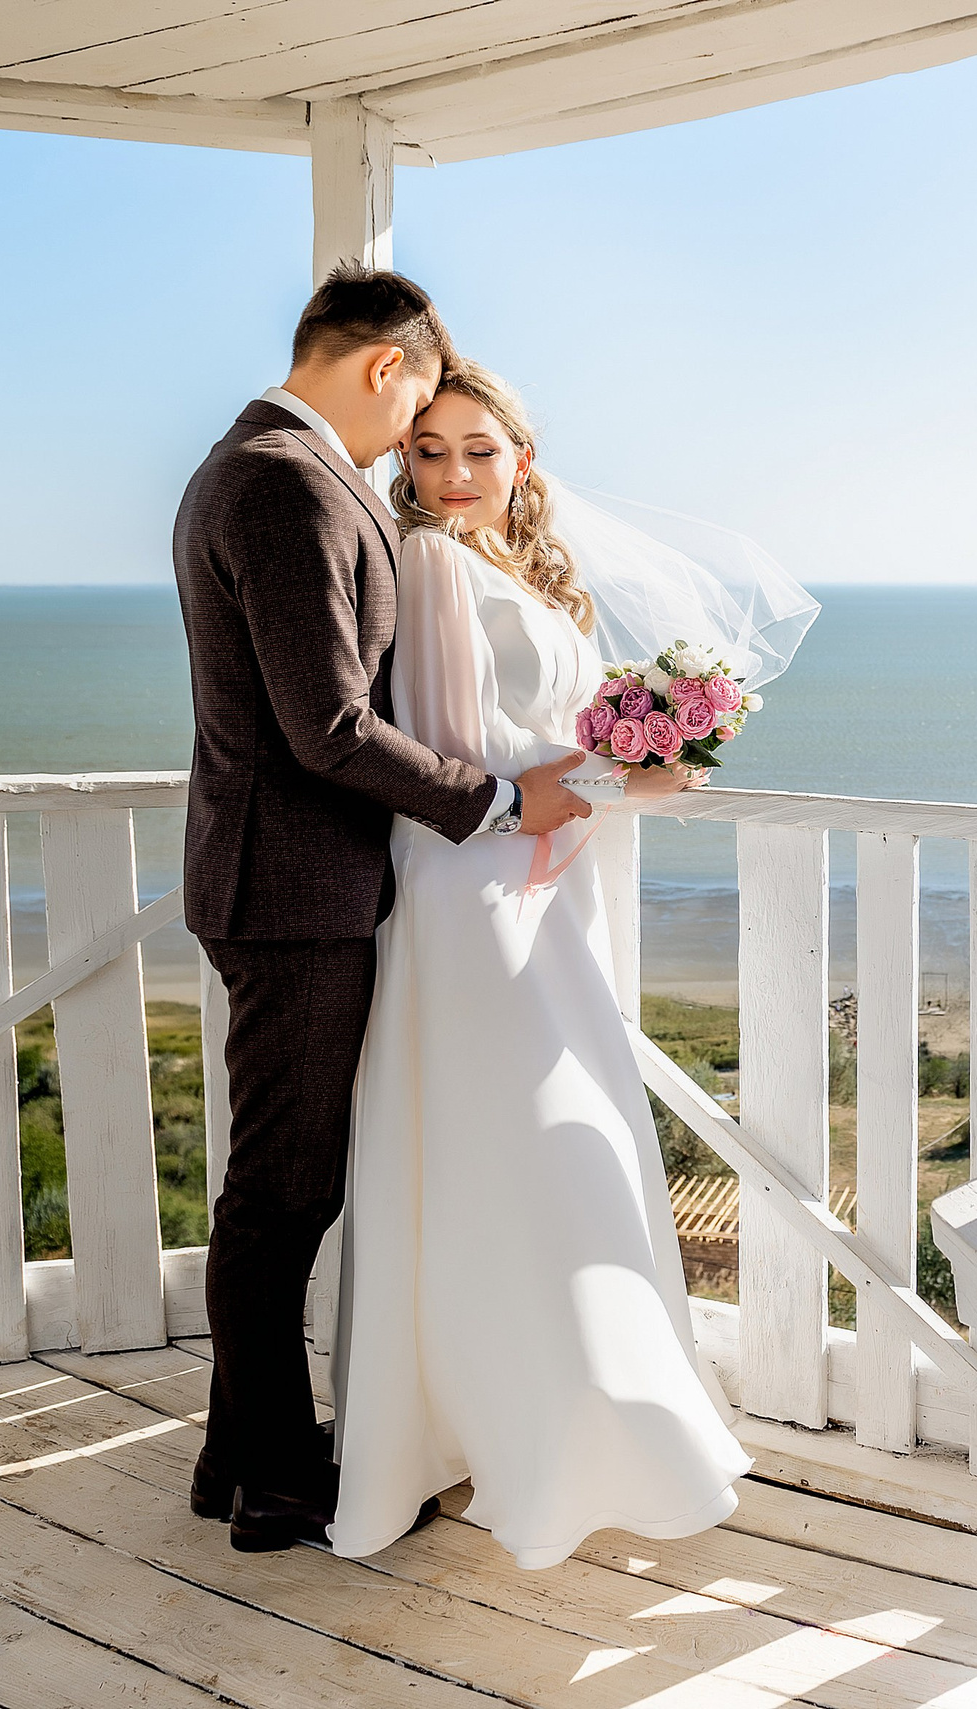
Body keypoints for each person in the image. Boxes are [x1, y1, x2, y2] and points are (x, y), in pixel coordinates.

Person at [172, 268, 592, 1553]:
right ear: (384, 368)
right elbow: (330, 727)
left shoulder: (255, 465)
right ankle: (277, 1482)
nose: (414, 441)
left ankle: (234, 1453)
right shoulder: (286, 480)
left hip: (284, 881)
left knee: (286, 1188)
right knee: (281, 1195)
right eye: (417, 410)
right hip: (292, 891)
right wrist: (499, 801)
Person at [327, 362, 756, 1565]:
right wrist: (621, 773)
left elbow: (544, 746)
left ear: (521, 458)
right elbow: (463, 751)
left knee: (549, 1143)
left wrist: (643, 749)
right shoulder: (428, 562)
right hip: (472, 895)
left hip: (538, 890)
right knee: (517, 1148)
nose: (453, 474)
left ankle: (546, 1421)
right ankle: (547, 1436)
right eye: (427, 451)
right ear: (403, 463)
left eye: (478, 449)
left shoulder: (515, 568)